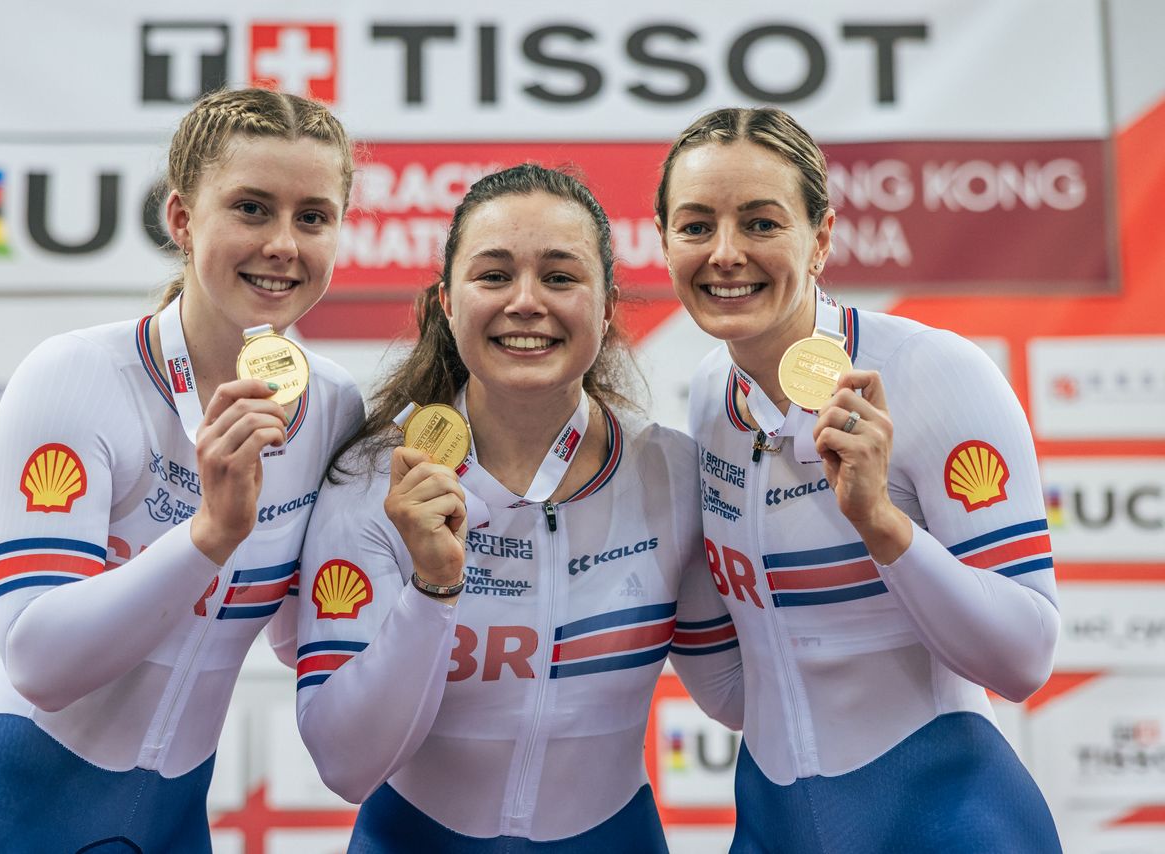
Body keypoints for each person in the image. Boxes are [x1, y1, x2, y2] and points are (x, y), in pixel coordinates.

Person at [0, 87, 363, 852]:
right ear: (181, 218)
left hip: (165, 828)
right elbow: (38, 657)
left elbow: (305, 640)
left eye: (313, 216)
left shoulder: (336, 408)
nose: (283, 243)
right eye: (250, 208)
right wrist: (211, 535)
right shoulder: (81, 376)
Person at [295, 164, 744, 852]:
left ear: (605, 306)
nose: (527, 302)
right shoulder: (374, 477)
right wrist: (432, 590)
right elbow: (345, 765)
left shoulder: (672, 472)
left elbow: (737, 696)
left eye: (561, 277)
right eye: (494, 275)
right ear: (447, 302)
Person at [655, 106, 1062, 852]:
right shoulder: (711, 392)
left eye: (761, 223)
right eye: (696, 225)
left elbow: (1024, 659)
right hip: (774, 822)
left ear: (822, 238)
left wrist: (882, 524)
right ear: (664, 244)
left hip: (944, 818)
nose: (726, 253)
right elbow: (741, 693)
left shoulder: (934, 373)